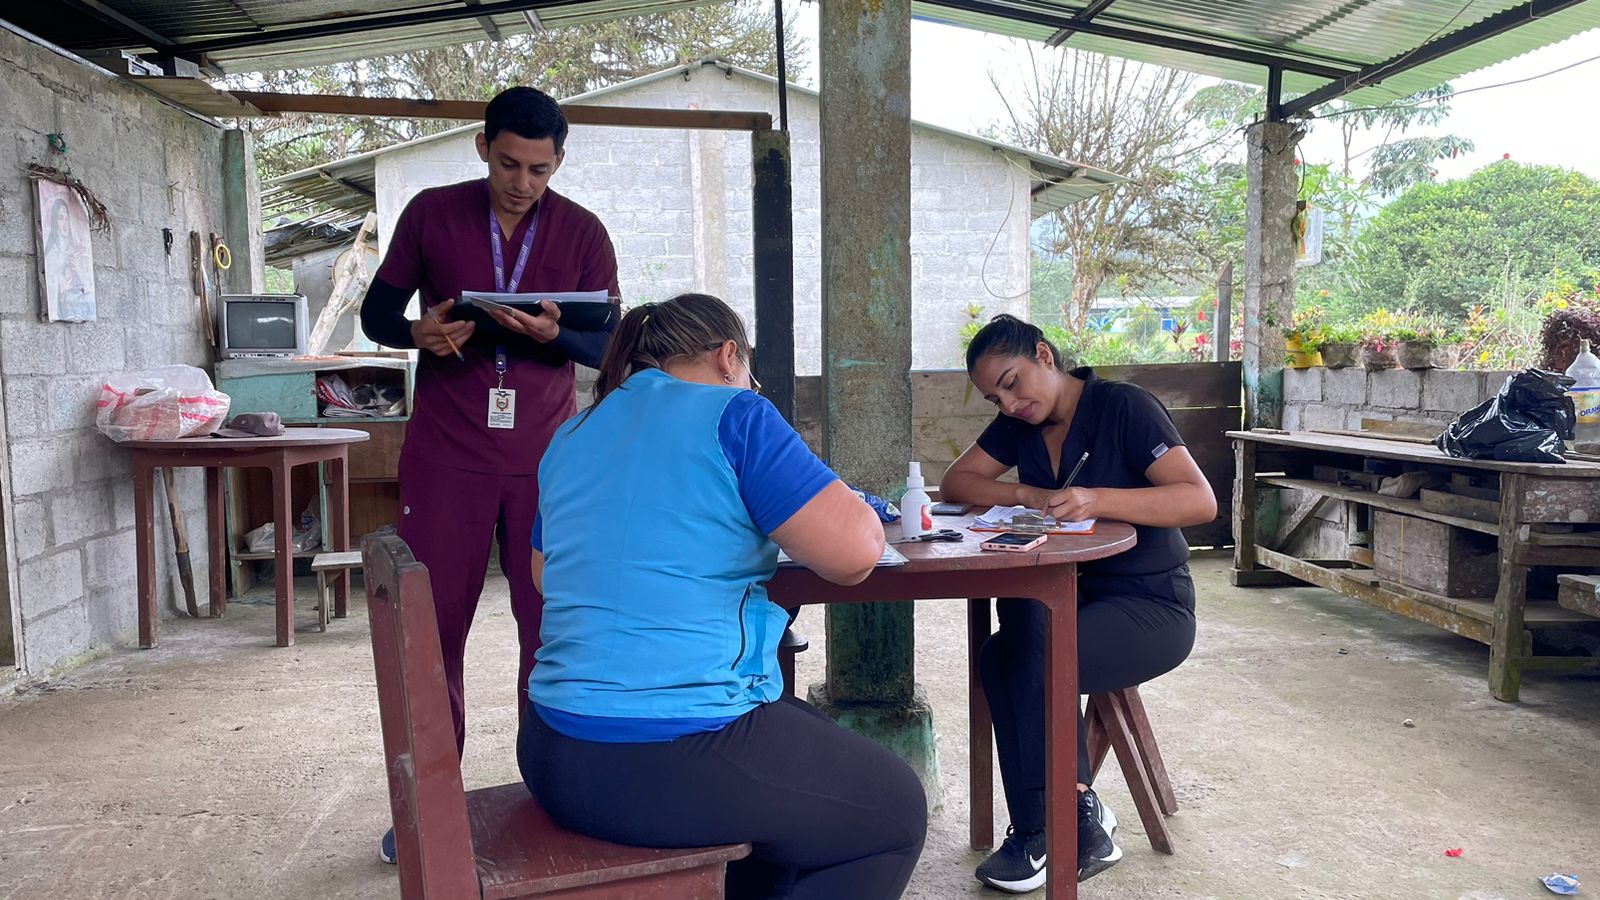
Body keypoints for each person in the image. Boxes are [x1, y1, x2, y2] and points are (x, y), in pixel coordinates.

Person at [520, 293, 928, 900]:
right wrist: (840, 493)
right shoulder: (737, 413)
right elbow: (855, 555)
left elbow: (544, 575)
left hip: (552, 749)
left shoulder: (572, 433)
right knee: (894, 816)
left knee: (800, 742)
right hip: (665, 757)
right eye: (749, 374)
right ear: (729, 357)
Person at [359, 85, 620, 864]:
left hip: (548, 460)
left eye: (539, 169)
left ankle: (556, 792)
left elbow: (607, 345)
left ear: (559, 162)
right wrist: (416, 332)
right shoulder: (431, 214)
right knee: (432, 628)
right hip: (448, 453)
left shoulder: (583, 231)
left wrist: (553, 335)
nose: (522, 183)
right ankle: (428, 809)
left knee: (552, 627)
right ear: (483, 147)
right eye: (509, 164)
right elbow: (377, 316)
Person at [940, 314, 1216, 893]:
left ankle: (1062, 821)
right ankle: (1051, 825)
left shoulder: (1122, 407)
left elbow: (1199, 500)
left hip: (1150, 605)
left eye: (1012, 383)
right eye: (995, 398)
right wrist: (1027, 493)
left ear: (1044, 355)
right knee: (1000, 653)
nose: (1009, 404)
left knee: (1034, 658)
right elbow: (958, 482)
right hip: (1076, 596)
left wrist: (1096, 498)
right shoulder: (1021, 424)